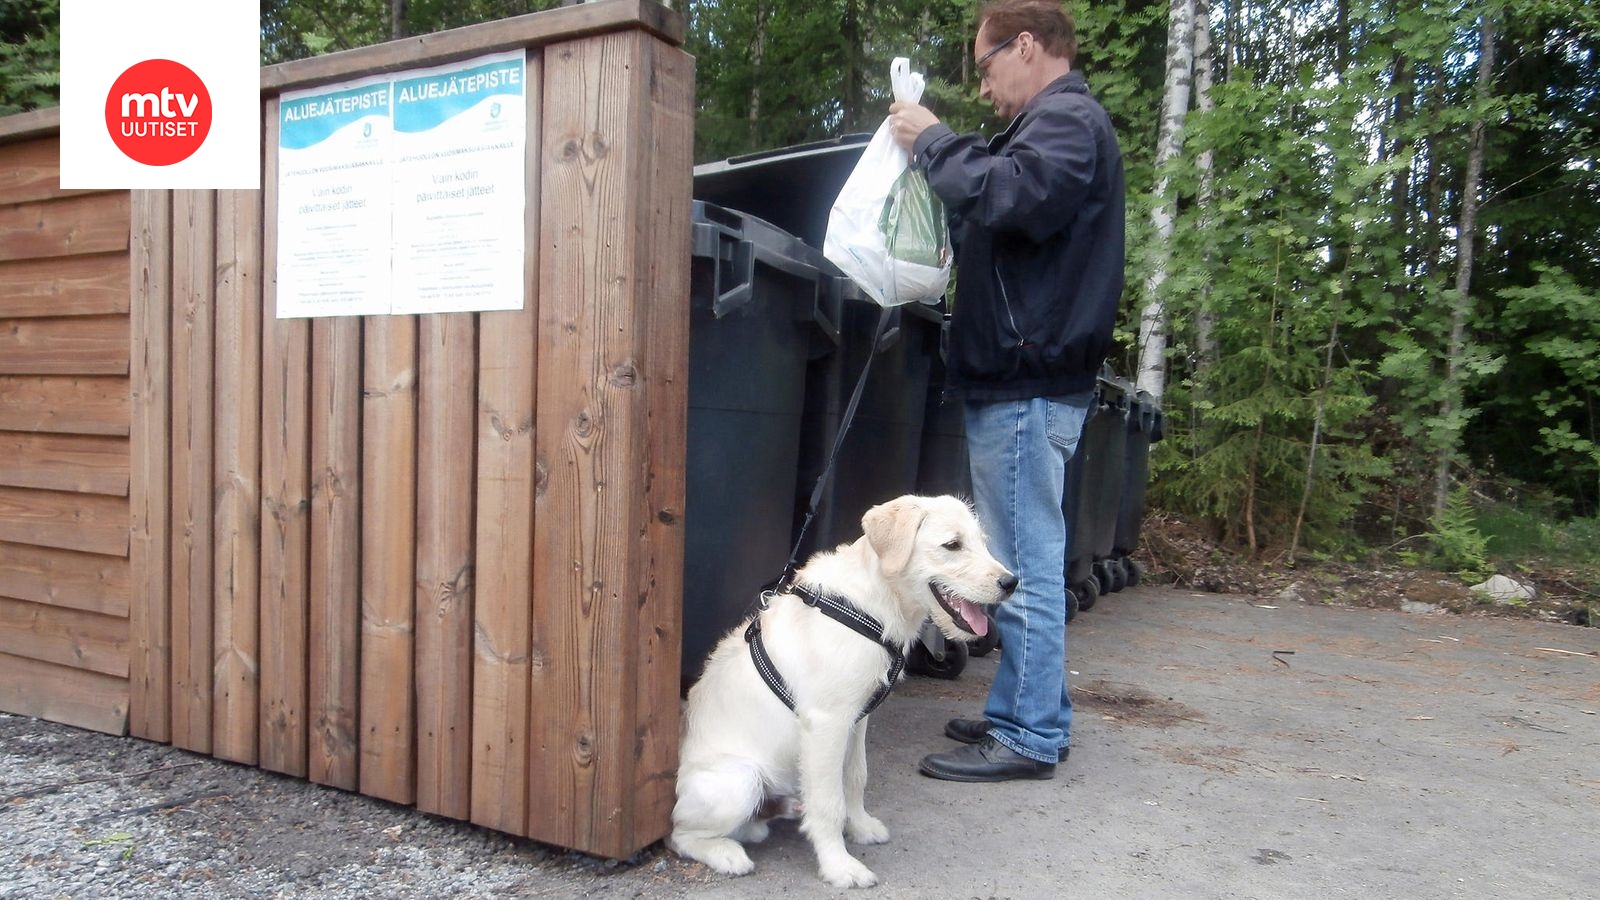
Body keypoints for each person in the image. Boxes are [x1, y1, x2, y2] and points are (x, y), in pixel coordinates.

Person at [889, 0, 1125, 782]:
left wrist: (934, 141)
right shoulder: (1053, 125)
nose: (985, 88)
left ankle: (1027, 736)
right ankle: (1027, 716)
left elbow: (1014, 196)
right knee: (1023, 559)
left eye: (986, 66)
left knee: (1018, 564)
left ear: (1027, 46)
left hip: (1028, 381)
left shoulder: (1065, 121)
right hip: (1022, 378)